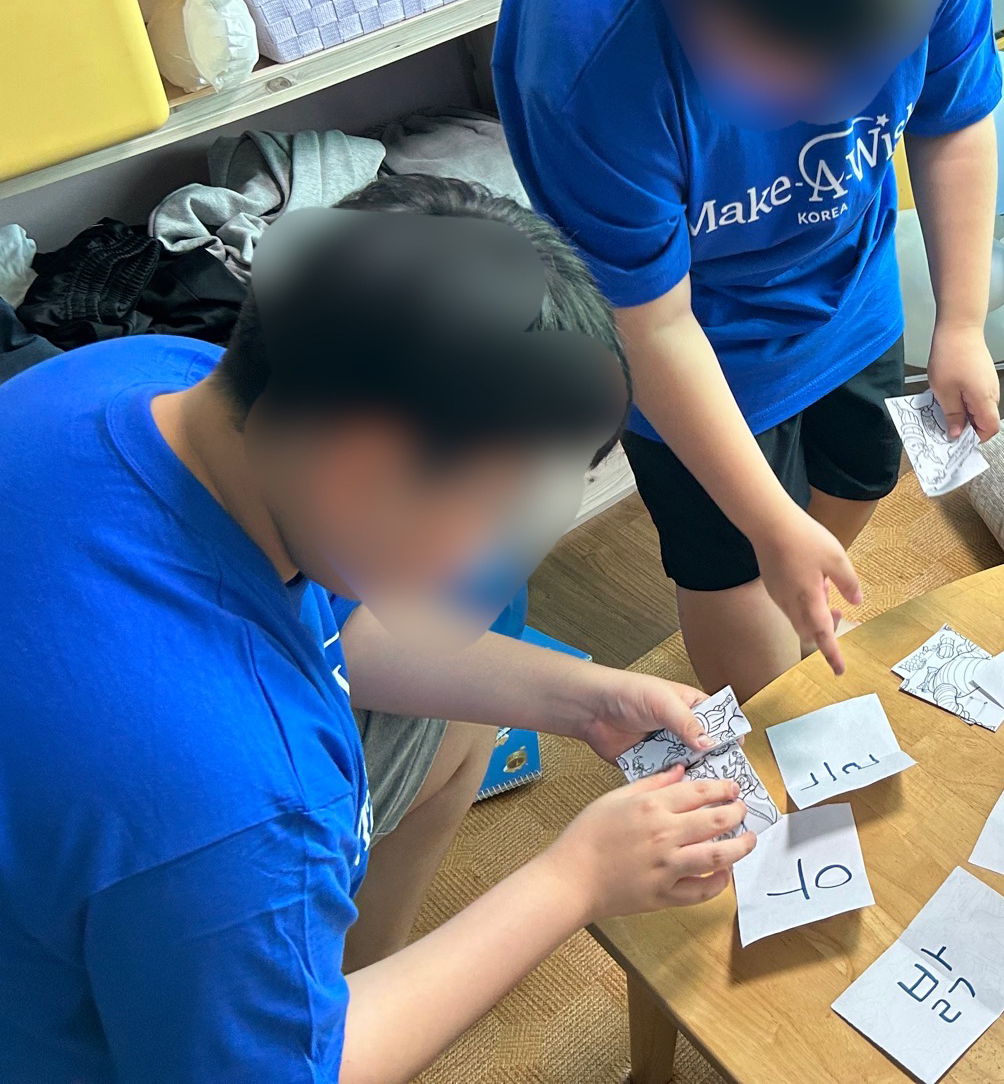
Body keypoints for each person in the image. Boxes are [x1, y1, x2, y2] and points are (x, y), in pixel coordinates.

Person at [0, 174, 754, 1084]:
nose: (487, 557)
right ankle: (320, 1014)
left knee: (458, 722)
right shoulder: (248, 805)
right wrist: (574, 879)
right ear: (367, 465)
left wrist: (587, 700)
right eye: (491, 512)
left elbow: (332, 622)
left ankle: (327, 992)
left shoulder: (150, 380)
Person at [495, 0, 1003, 700]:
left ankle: (793, 588)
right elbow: (653, 325)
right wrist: (767, 524)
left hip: (846, 273)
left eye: (866, 68)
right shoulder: (584, 53)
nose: (838, 105)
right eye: (797, 76)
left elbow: (953, 117)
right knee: (736, 582)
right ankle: (765, 683)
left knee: (859, 473)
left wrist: (965, 320)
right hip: (689, 333)